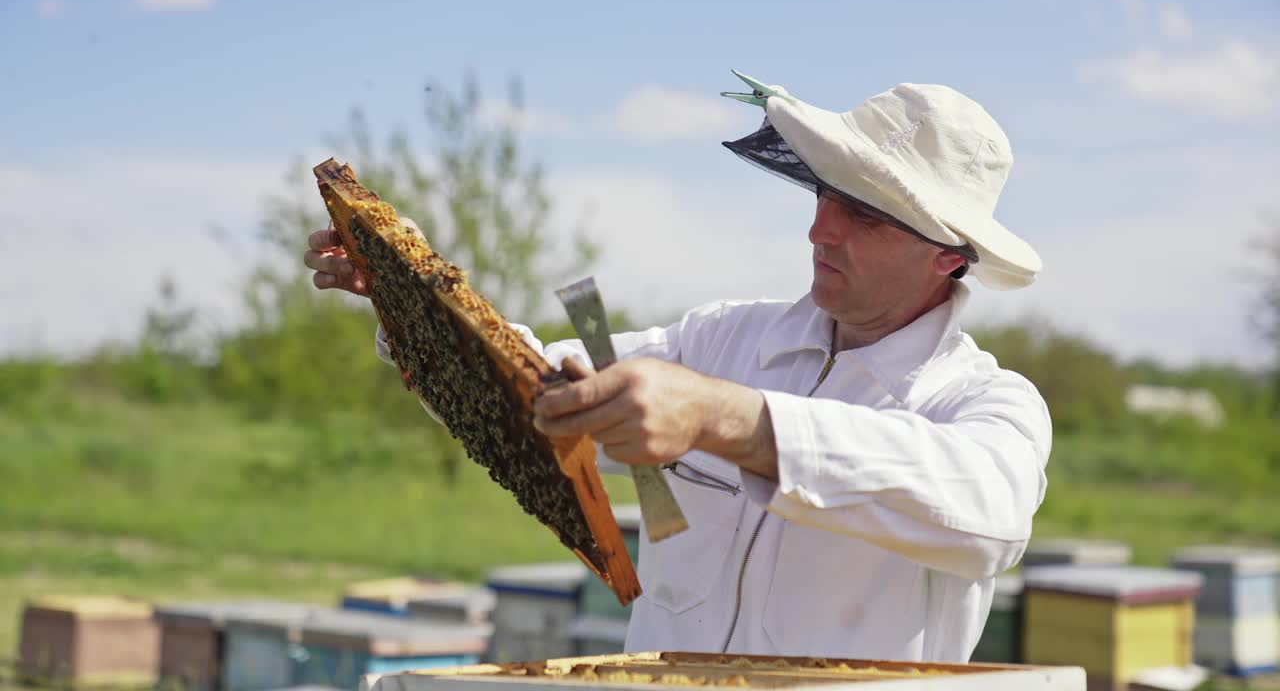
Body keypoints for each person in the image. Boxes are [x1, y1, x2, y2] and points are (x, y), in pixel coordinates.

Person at [303, 75, 1050, 663]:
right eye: (826, 196)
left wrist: (725, 419)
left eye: (866, 216)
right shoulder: (722, 338)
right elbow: (536, 387)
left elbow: (988, 515)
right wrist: (415, 306)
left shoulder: (986, 405)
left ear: (948, 257)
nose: (820, 229)